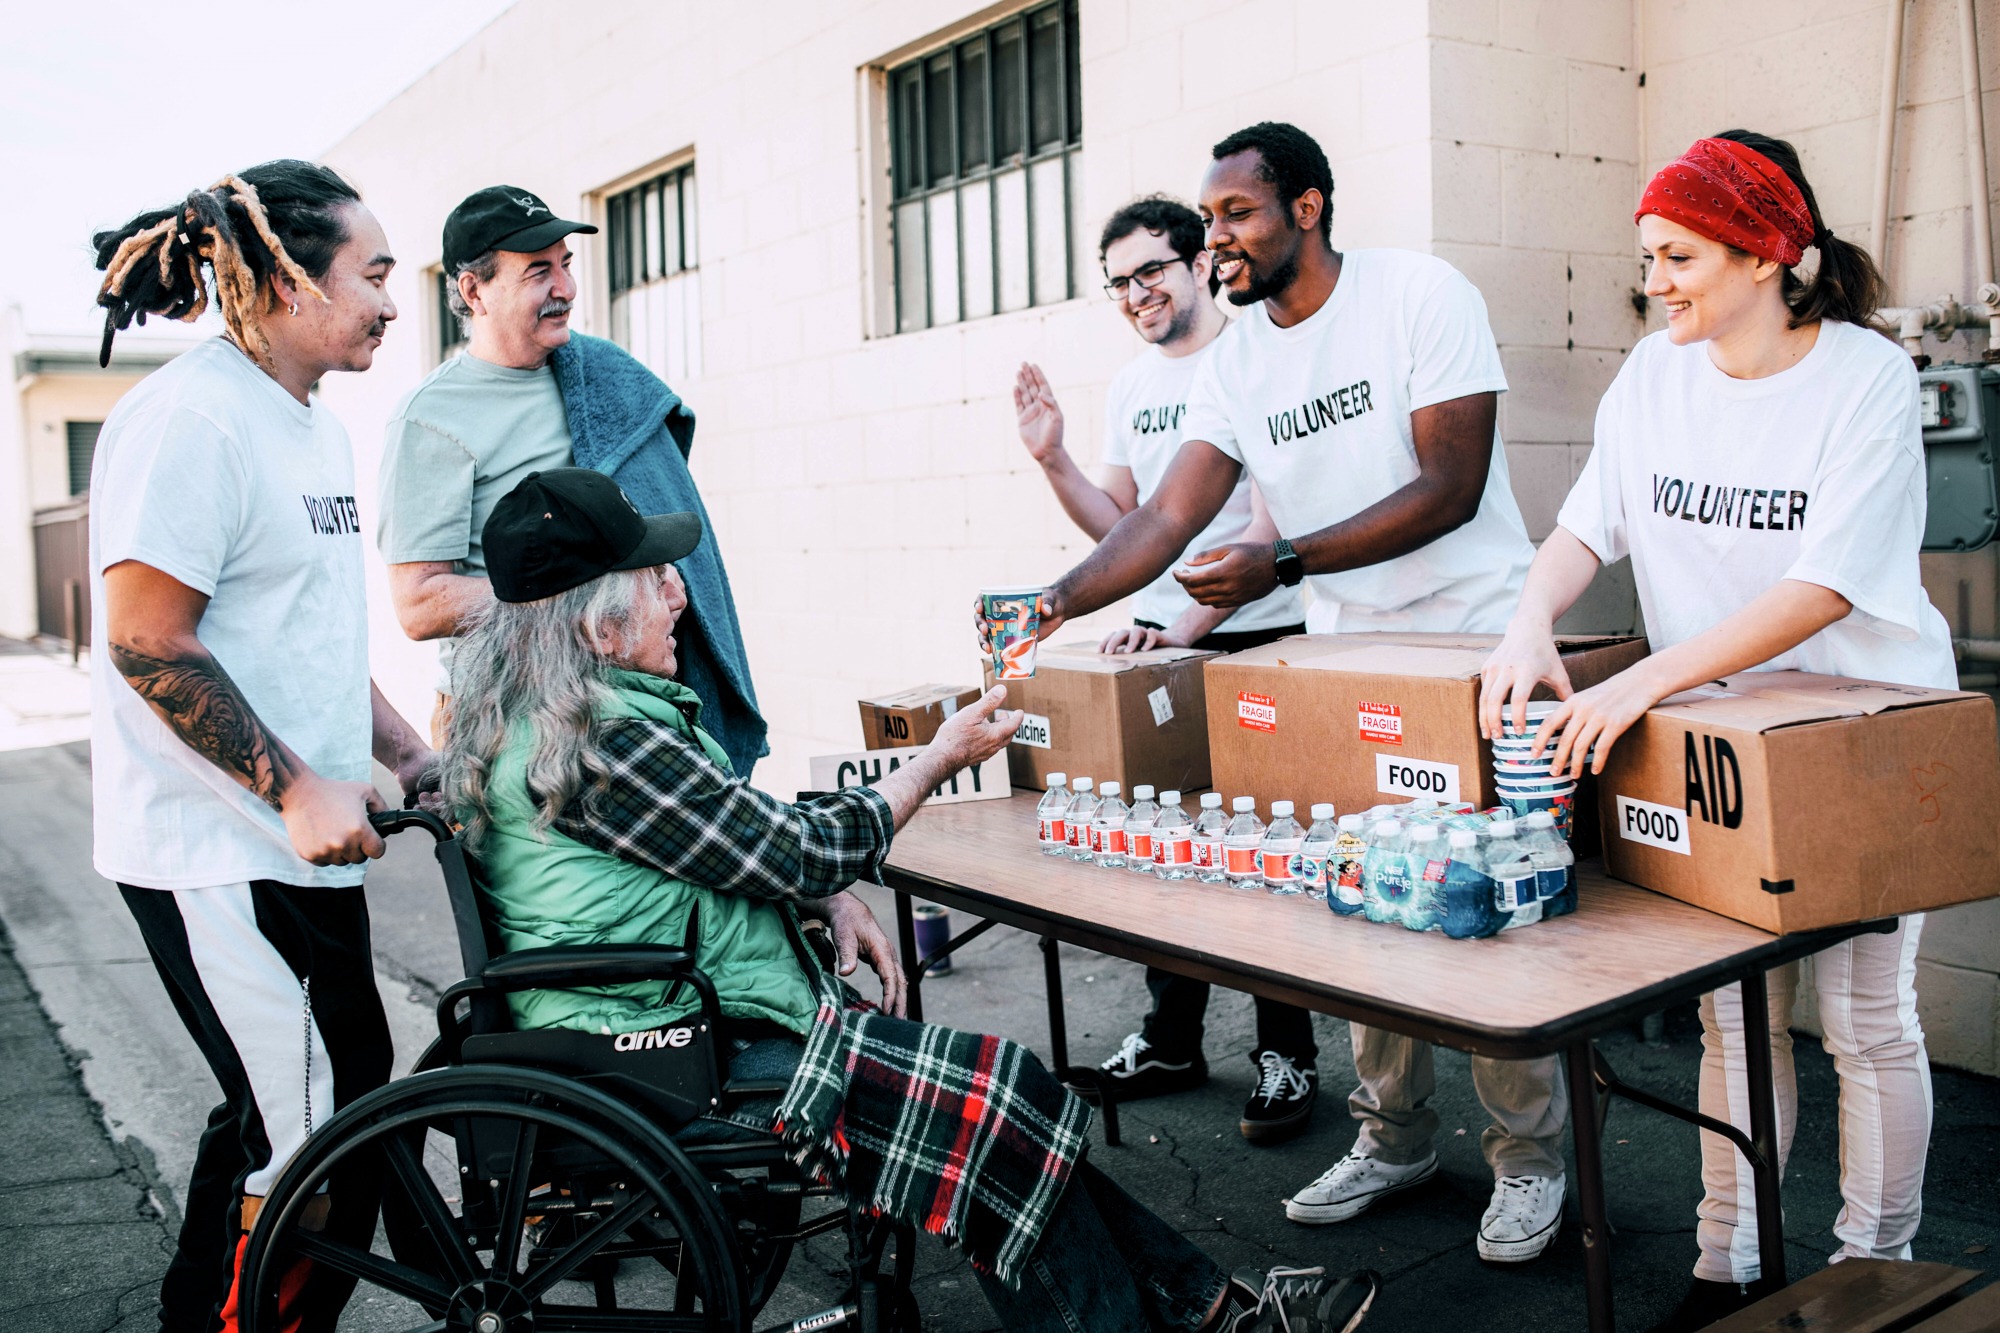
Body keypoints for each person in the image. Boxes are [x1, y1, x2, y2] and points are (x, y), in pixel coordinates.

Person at [443, 466, 1382, 1333]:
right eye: (655, 579)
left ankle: (1216, 1311)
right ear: (595, 623)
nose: (682, 592)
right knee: (994, 1108)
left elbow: (720, 850)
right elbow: (791, 844)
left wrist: (822, 898)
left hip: (655, 1023)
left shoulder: (553, 719)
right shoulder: (603, 744)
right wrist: (933, 762)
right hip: (667, 1052)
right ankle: (1197, 1316)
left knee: (1004, 1104)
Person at [981, 121, 1569, 1264]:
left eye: (1235, 215)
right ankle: (1392, 1135)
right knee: (1363, 899)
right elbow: (1162, 518)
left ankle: (1528, 1162)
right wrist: (1051, 598)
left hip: (1466, 640)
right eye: (1207, 222)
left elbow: (1448, 486)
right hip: (1346, 660)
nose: (1216, 242)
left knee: (1481, 912)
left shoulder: (1417, 295)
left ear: (1305, 207)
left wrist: (1285, 563)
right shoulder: (1238, 358)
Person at [1480, 131, 1952, 1333]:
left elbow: (1822, 588)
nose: (1658, 282)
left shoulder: (1862, 377)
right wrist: (1530, 618)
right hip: (1722, 739)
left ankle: (1870, 1271)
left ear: (1769, 254)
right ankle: (1725, 1264)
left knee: (1861, 1020)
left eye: (1679, 255)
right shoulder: (1651, 374)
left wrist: (1640, 683)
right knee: (1730, 1009)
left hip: (1862, 731)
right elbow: (1589, 525)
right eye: (1648, 257)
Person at [88, 161, 434, 1333]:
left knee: (325, 1107)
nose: (393, 301)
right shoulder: (188, 419)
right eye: (373, 274)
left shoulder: (310, 428)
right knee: (302, 1124)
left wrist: (405, 752)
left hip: (302, 843)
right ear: (287, 278)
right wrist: (291, 789)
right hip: (214, 850)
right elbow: (147, 643)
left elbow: (305, 639)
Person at [1013, 194, 1316, 1139]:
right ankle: (1172, 1037)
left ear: (1198, 265)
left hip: (1254, 640)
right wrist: (1054, 458)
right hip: (1162, 647)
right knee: (1165, 850)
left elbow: (1270, 524)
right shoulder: (1133, 388)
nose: (1136, 292)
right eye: (1118, 282)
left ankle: (1288, 1054)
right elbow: (1127, 528)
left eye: (1151, 269)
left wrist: (1182, 624)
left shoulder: (1255, 360)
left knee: (1265, 857)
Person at [377, 185, 766, 775]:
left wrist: (646, 585)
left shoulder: (604, 376)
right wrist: (586, 594)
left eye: (566, 265)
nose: (565, 289)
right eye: (539, 271)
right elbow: (419, 604)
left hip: (631, 702)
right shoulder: (431, 419)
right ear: (473, 290)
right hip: (506, 713)